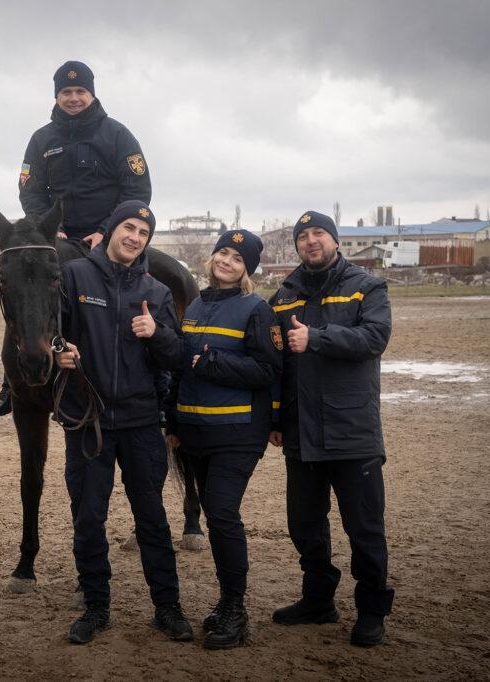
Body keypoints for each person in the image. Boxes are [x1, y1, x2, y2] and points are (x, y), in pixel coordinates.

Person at [53, 200, 192, 645]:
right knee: (88, 517)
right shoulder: (73, 278)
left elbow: (176, 357)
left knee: (151, 518)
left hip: (139, 423)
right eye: (128, 227)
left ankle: (167, 608)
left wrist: (159, 334)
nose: (134, 237)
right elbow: (48, 336)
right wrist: (59, 356)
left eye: (144, 233)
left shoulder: (156, 291)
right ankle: (96, 607)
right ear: (111, 228)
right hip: (87, 421)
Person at [0, 59, 152, 416]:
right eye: (66, 92)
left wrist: (108, 231)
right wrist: (47, 226)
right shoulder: (41, 139)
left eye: (80, 91)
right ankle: (12, 377)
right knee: (25, 277)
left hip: (110, 233)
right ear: (57, 96)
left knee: (145, 286)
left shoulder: (118, 135)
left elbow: (137, 188)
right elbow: (29, 191)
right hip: (57, 233)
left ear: (91, 94)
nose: (73, 98)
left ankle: (149, 373)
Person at [267, 210, 395, 647]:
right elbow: (275, 365)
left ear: (336, 240)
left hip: (351, 429)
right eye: (302, 236)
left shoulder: (366, 286)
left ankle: (372, 610)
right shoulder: (283, 296)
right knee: (305, 525)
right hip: (301, 433)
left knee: (364, 528)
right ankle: (318, 601)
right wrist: (275, 419)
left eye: (318, 233)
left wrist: (317, 338)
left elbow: (375, 338)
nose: (310, 241)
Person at [163, 230, 282, 649]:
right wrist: (173, 422)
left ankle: (235, 607)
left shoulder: (256, 309)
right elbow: (179, 365)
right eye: (222, 253)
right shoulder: (195, 304)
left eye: (237, 257)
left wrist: (212, 362)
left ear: (248, 267)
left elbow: (268, 371)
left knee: (221, 512)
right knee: (215, 516)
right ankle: (227, 603)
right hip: (194, 431)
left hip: (237, 433)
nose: (227, 261)